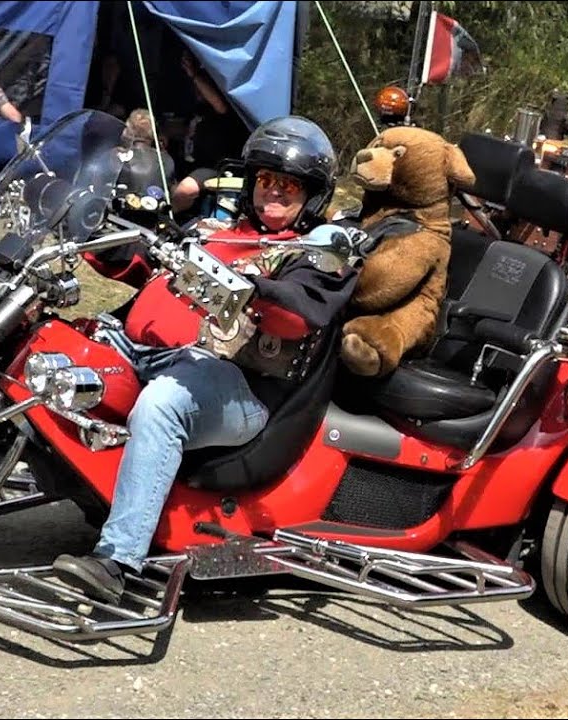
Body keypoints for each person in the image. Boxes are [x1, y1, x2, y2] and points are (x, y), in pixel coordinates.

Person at [52, 116, 361, 604]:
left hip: (240, 391)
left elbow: (298, 315)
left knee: (162, 404)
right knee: (47, 350)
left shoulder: (317, 254)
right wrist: (102, 235)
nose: (274, 193)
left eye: (289, 185)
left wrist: (252, 288)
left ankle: (117, 561)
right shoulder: (218, 229)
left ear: (313, 196)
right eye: (266, 181)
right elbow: (151, 268)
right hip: (147, 352)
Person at [170, 50, 252, 214]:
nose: (197, 90)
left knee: (185, 190)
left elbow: (220, 105)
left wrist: (195, 75)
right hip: (186, 163)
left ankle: (168, 221)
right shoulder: (197, 109)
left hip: (214, 167)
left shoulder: (225, 111)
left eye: (201, 86)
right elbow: (182, 129)